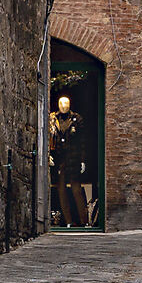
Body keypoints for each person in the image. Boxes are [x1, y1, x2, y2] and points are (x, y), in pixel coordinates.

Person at [49, 92, 89, 228]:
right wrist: (50, 155)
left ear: (70, 105)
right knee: (61, 190)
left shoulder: (77, 119)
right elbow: (50, 138)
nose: (63, 106)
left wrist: (83, 160)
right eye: (61, 103)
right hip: (60, 159)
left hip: (74, 157)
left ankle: (84, 220)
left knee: (76, 189)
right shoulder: (54, 119)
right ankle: (68, 221)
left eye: (66, 103)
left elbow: (83, 141)